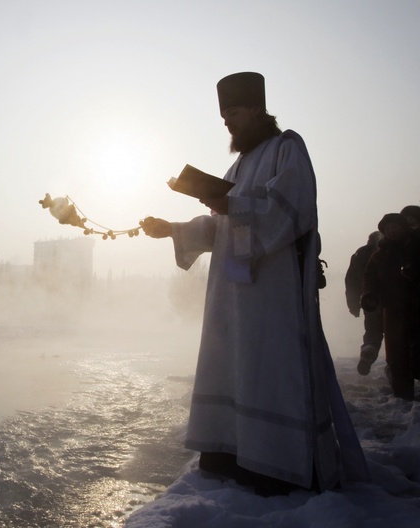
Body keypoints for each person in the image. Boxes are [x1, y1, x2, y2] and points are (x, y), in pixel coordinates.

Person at [141, 72, 369, 495]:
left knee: (271, 372)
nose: (227, 121)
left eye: (234, 113)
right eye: (223, 115)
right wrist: (172, 229)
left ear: (258, 109)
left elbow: (289, 211)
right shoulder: (238, 165)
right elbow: (221, 227)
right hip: (232, 299)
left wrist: (233, 204)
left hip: (272, 295)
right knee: (235, 370)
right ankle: (229, 452)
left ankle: (278, 465)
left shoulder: (288, 148)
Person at [361, 213, 419, 400]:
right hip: (393, 309)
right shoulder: (380, 255)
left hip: (417, 307)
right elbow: (370, 278)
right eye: (388, 229)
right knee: (396, 353)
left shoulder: (416, 247)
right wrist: (369, 295)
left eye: (395, 227)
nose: (392, 231)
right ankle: (403, 394)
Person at [345, 231, 383, 375]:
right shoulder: (391, 249)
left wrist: (353, 304)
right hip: (393, 300)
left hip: (369, 301)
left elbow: (351, 281)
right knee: (398, 335)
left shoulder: (360, 254)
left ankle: (368, 351)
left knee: (373, 332)